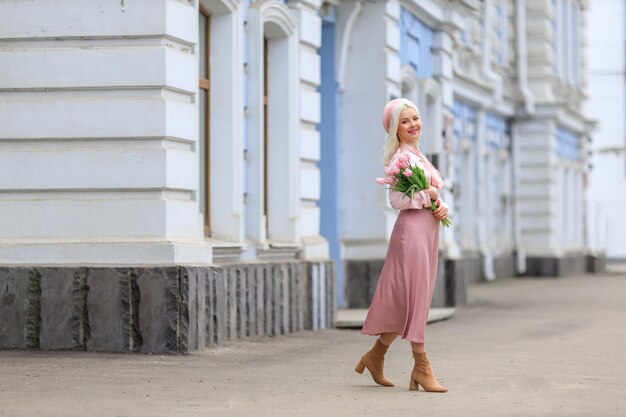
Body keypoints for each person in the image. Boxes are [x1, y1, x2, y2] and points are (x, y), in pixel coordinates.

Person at [355, 98, 449, 392]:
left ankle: (375, 356)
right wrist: (427, 196)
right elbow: (397, 200)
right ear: (395, 128)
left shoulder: (418, 156)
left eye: (415, 118)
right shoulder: (400, 159)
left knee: (406, 299)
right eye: (405, 121)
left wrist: (440, 205)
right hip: (411, 232)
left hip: (427, 231)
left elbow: (430, 193)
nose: (412, 125)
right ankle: (422, 368)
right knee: (416, 296)